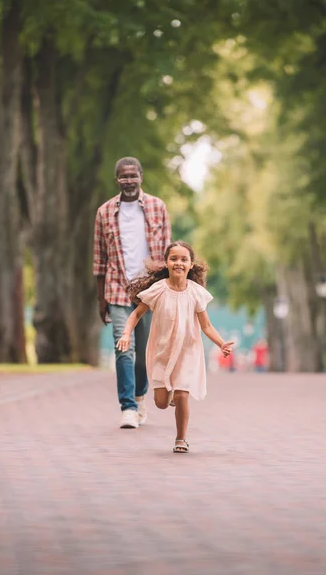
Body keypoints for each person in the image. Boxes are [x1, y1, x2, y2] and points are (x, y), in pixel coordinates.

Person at [116, 241, 234, 453]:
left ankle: (181, 439)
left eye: (183, 259)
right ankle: (168, 396)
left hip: (188, 351)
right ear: (167, 263)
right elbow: (135, 314)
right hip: (162, 352)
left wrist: (221, 343)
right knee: (161, 402)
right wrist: (126, 333)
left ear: (190, 265)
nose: (178, 263)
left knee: (182, 395)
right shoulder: (158, 290)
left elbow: (206, 326)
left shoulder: (196, 293)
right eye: (174, 259)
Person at [93, 156, 171, 429]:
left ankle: (139, 397)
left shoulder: (157, 207)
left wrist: (168, 291)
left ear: (141, 177)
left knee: (145, 352)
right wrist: (100, 298)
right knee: (123, 349)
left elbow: (167, 255)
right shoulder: (104, 212)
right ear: (117, 180)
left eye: (133, 176)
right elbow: (99, 260)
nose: (128, 181)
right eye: (123, 176)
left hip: (149, 292)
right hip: (116, 290)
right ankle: (127, 407)